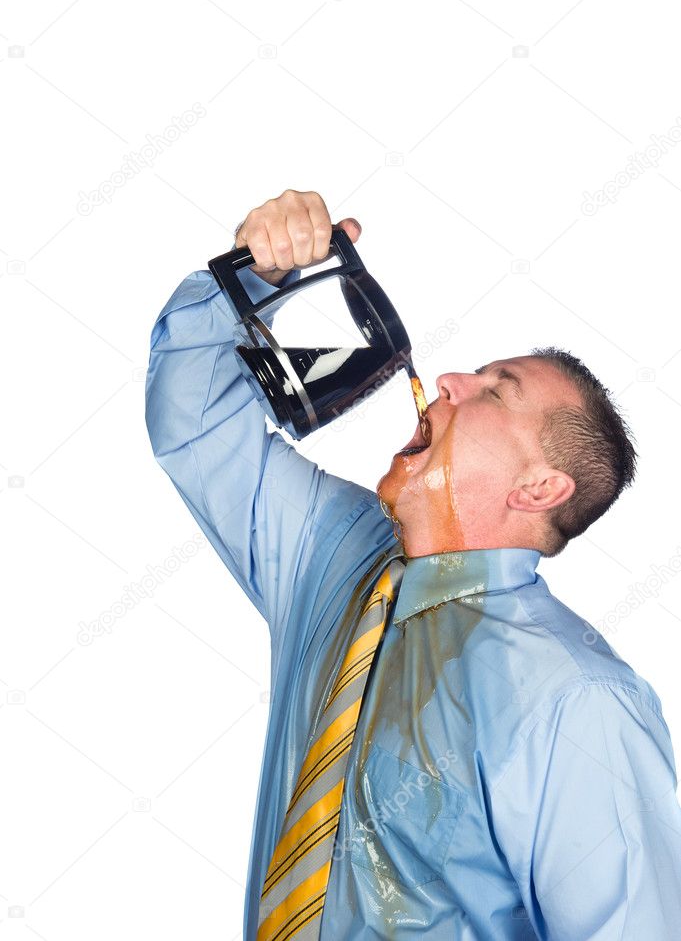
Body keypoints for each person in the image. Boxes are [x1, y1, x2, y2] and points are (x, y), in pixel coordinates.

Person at [144, 188, 681, 940]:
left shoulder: (579, 702)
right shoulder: (332, 555)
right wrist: (254, 274)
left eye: (496, 390)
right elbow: (194, 420)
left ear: (538, 488)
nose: (453, 379)